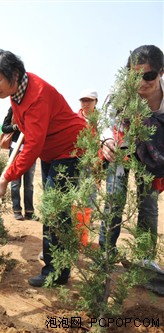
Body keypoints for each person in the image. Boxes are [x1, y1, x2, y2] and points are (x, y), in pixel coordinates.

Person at [0, 49, 86, 287]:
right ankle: (59, 260)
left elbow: (33, 146)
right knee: (54, 210)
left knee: (53, 210)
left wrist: (6, 178)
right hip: (52, 151)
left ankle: (56, 272)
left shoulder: (37, 95)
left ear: (14, 75)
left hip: (68, 150)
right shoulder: (17, 92)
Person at [99, 45, 163, 267]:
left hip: (155, 153)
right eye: (135, 75)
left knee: (148, 203)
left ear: (161, 72)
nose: (142, 82)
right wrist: (106, 140)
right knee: (114, 198)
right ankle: (106, 253)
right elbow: (108, 124)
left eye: (149, 75)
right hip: (123, 146)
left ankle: (145, 259)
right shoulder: (121, 95)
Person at [1, 107, 37, 221]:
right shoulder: (14, 108)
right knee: (15, 182)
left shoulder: (35, 109)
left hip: (30, 150)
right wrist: (16, 127)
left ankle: (29, 212)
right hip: (15, 151)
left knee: (29, 182)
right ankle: (17, 210)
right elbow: (4, 127)